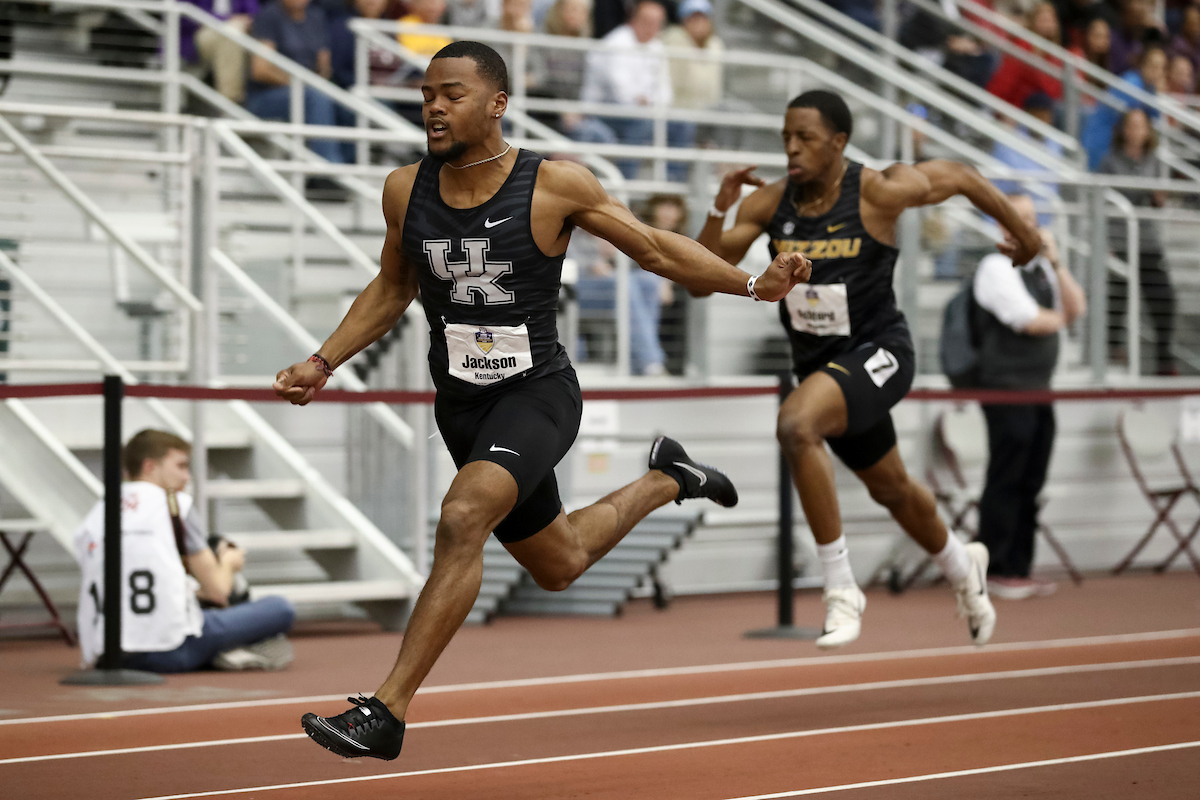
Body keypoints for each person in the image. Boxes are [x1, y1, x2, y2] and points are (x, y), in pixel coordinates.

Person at [273, 41, 811, 761]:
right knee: (560, 564)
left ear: (497, 103)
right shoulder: (405, 188)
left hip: (536, 393)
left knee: (464, 516)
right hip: (461, 405)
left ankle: (388, 710)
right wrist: (322, 360)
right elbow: (394, 287)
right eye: (427, 93)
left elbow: (655, 248)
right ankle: (668, 479)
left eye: (452, 93)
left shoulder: (554, 184)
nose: (433, 105)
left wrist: (752, 285)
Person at [695, 90, 1042, 650]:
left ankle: (840, 588)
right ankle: (962, 565)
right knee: (895, 490)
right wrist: (719, 208)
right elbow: (699, 277)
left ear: (838, 142)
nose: (791, 148)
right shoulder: (772, 204)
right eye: (785, 136)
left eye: (804, 137)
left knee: (795, 424)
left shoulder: (878, 189)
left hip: (880, 352)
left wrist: (1025, 236)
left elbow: (963, 176)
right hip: (821, 367)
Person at [74, 430, 295, 673]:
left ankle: (226, 647)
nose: (186, 477)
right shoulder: (176, 506)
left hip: (107, 652)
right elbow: (218, 592)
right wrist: (229, 562)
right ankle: (230, 648)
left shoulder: (98, 512)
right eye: (180, 466)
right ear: (150, 466)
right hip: (171, 649)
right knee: (280, 608)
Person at [972, 194, 1086, 600]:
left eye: (1034, 221)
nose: (1030, 228)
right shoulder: (995, 266)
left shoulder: (1041, 270)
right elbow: (1028, 320)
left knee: (1032, 478)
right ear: (1003, 225)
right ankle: (996, 567)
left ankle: (1020, 566)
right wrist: (1061, 320)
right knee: (1007, 476)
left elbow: (1078, 307)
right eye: (1020, 220)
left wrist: (1056, 262)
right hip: (1005, 389)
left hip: (1040, 388)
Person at [1098, 108, 1176, 375]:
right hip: (1120, 241)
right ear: (1124, 130)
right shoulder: (1110, 161)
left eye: (1142, 126)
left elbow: (1157, 201)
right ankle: (1111, 353)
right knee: (1117, 299)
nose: (1137, 131)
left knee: (1164, 300)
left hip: (1147, 241)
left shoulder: (1154, 161)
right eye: (1132, 125)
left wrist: (1157, 198)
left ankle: (1165, 359)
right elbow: (1104, 200)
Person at [577, 0, 692, 181]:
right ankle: (626, 184)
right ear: (633, 19)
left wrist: (648, 101)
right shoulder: (615, 42)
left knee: (683, 124)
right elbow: (621, 94)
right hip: (602, 111)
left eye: (657, 23)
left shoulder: (657, 47)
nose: (651, 27)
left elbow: (666, 95)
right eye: (647, 21)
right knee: (641, 123)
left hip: (641, 112)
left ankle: (673, 184)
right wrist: (649, 101)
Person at [244, 0, 348, 165]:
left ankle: (348, 166)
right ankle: (328, 168)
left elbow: (324, 65)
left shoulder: (316, 16)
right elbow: (261, 70)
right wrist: (299, 84)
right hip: (266, 95)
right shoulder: (269, 15)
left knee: (346, 106)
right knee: (315, 97)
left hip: (307, 89)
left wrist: (317, 80)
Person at [1081, 43, 1167, 169]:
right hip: (1101, 141)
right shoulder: (1130, 84)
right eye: (1154, 66)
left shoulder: (1150, 88)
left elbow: (1154, 117)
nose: (1157, 71)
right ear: (1143, 65)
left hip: (1114, 144)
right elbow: (1133, 119)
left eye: (1161, 68)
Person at [179, 0, 259, 104]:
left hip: (239, 31)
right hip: (196, 33)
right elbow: (184, 16)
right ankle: (231, 102)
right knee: (231, 33)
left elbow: (254, 12)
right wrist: (226, 19)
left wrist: (246, 20)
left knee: (237, 32)